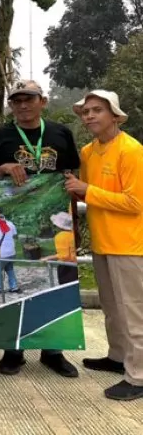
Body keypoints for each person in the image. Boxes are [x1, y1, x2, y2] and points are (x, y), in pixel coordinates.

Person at [0, 79, 79, 378]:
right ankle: (13, 350)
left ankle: (54, 350)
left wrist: (72, 211)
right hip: (15, 219)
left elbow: (73, 172)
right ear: (11, 105)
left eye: (29, 99)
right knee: (20, 277)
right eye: (17, 101)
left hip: (56, 218)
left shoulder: (61, 133)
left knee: (59, 281)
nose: (23, 105)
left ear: (43, 101)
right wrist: (2, 169)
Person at [66, 90, 143, 401]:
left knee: (134, 312)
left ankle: (138, 375)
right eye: (86, 112)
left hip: (129, 244)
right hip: (102, 241)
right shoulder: (88, 152)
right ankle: (117, 356)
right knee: (112, 308)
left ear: (115, 115)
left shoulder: (132, 151)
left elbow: (135, 202)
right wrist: (77, 193)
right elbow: (86, 194)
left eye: (97, 110)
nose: (89, 116)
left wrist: (87, 189)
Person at [42, 212, 78, 286]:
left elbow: (64, 256)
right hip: (76, 264)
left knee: (66, 288)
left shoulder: (60, 236)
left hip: (67, 267)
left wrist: (48, 258)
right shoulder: (74, 234)